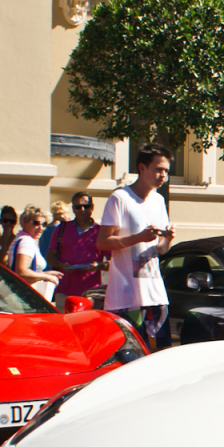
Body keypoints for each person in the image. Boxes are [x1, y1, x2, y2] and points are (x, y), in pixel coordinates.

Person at [97, 143, 175, 350]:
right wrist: (138, 238)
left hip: (155, 293)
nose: (163, 175)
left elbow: (160, 250)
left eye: (166, 171)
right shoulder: (120, 198)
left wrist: (168, 238)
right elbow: (103, 241)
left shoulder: (158, 200)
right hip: (126, 296)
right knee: (132, 357)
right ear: (142, 167)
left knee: (160, 354)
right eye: (158, 169)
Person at [51, 192, 108, 307]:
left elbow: (111, 263)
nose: (82, 209)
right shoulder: (61, 229)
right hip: (65, 291)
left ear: (92, 207)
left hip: (92, 293)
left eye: (86, 206)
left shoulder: (100, 232)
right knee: (64, 324)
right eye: (78, 207)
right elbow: (50, 257)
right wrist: (61, 265)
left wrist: (98, 265)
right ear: (73, 209)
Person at [8, 206, 61, 301]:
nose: (41, 228)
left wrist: (44, 273)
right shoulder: (26, 242)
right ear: (24, 222)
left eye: (44, 224)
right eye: (36, 223)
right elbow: (21, 272)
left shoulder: (20, 239)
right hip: (24, 298)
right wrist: (46, 276)